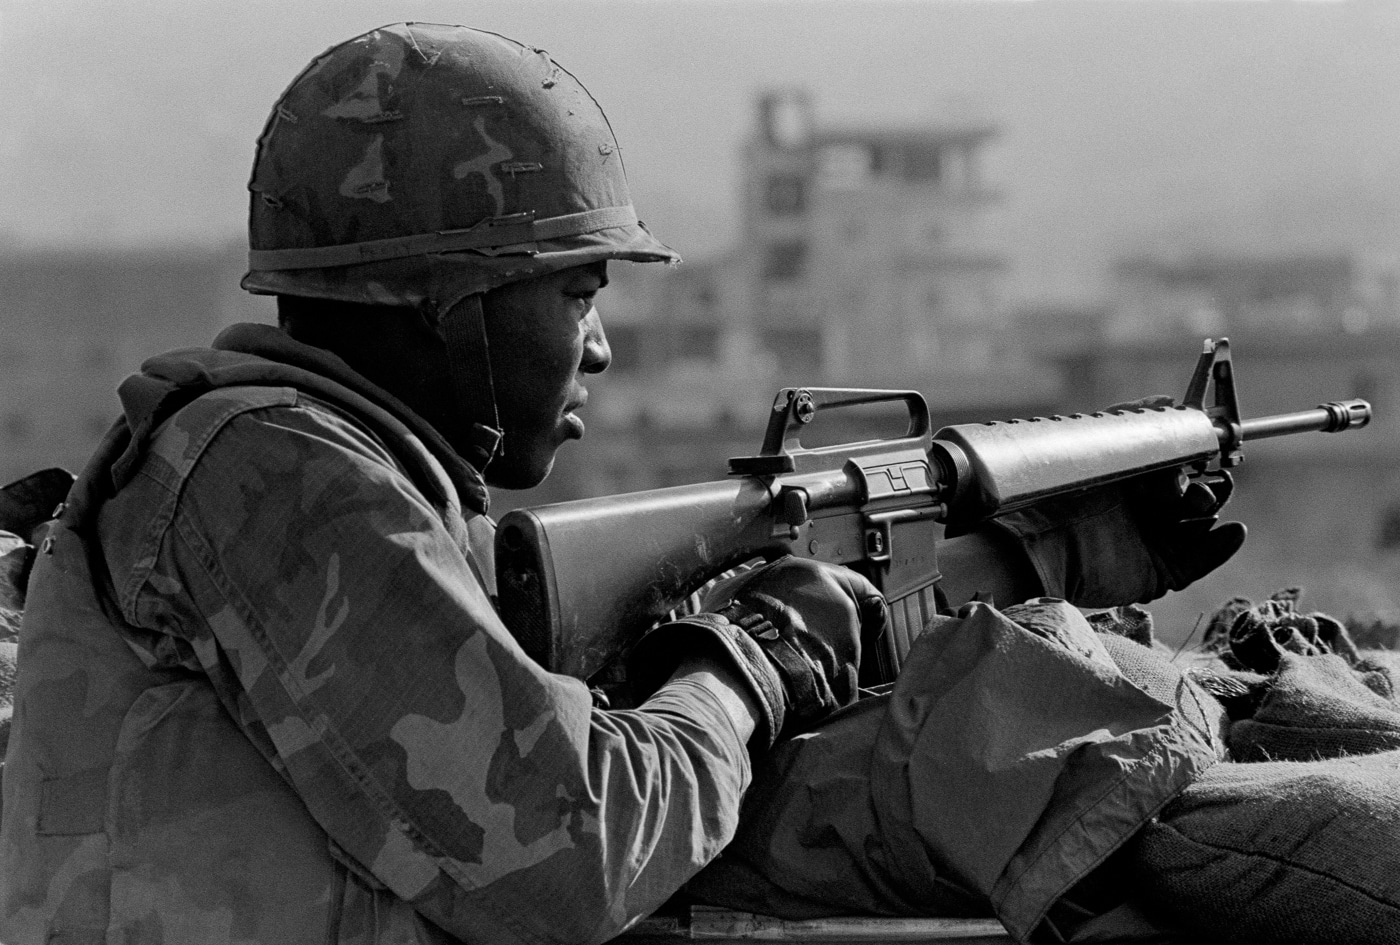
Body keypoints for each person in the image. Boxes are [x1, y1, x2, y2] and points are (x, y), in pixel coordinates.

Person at [5, 23, 1383, 945]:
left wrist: (1064, 558)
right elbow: (573, 845)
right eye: (579, 291)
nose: (601, 341)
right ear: (454, 301)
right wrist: (749, 653)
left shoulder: (329, 480)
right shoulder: (270, 478)